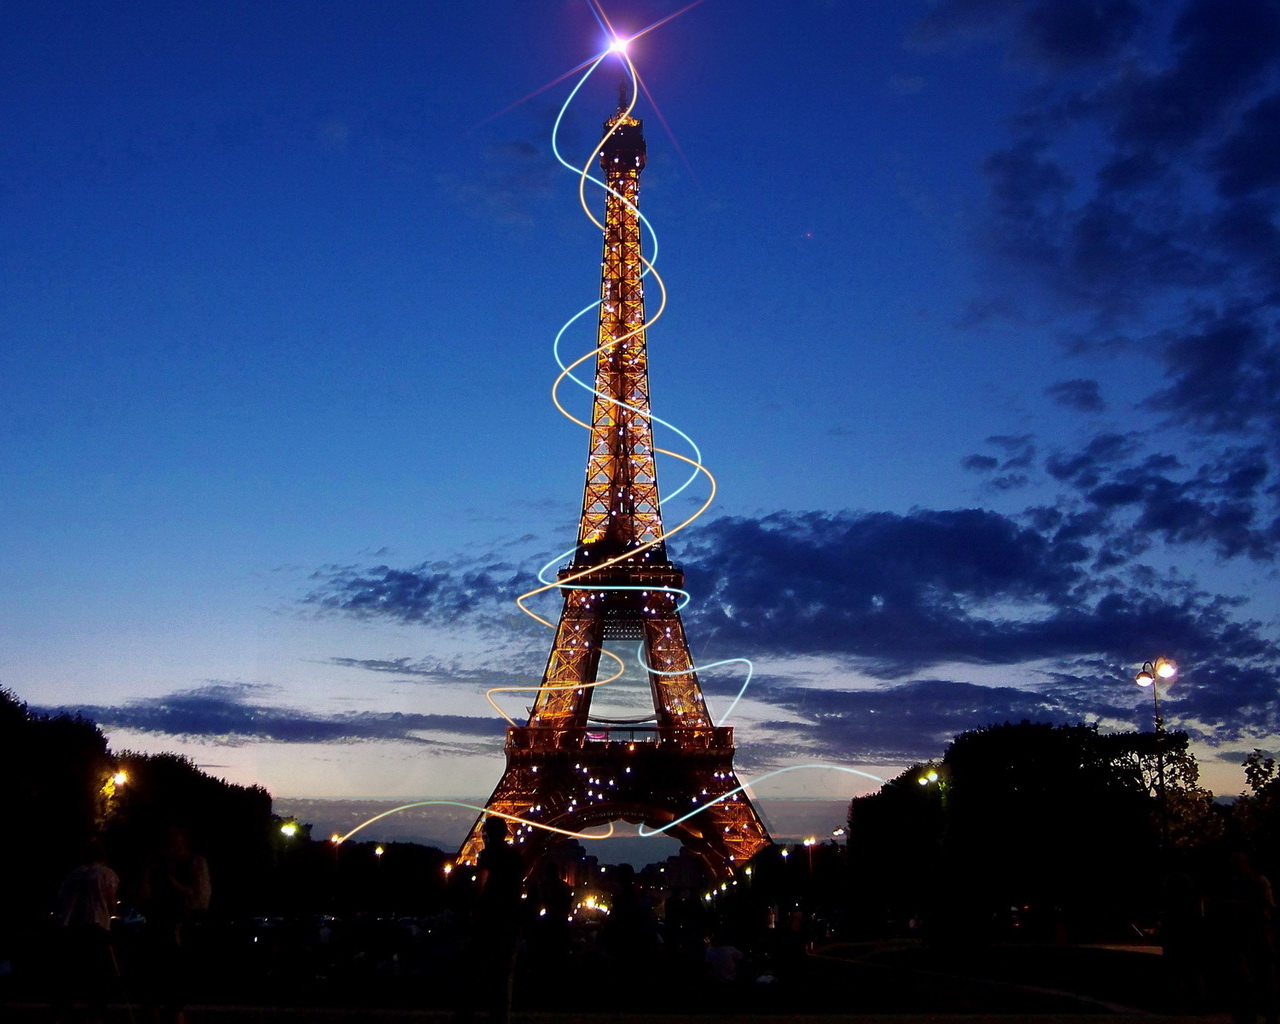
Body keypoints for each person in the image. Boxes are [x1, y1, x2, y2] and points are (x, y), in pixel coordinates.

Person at [139, 824, 211, 1024]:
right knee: (155, 979)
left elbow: (199, 898)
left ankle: (174, 1011)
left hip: (180, 925)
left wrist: (172, 881)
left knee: (175, 980)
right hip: (157, 925)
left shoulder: (194, 862)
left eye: (174, 837)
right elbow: (143, 895)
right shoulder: (155, 864)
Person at [457, 816, 525, 1024]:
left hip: (490, 916)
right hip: (509, 916)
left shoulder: (489, 855)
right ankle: (501, 1015)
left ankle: (468, 1011)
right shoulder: (515, 856)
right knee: (503, 972)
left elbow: (481, 883)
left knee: (475, 966)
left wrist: (472, 907)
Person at [51, 842, 120, 1024]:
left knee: (72, 971)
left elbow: (61, 899)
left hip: (72, 925)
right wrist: (112, 914)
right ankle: (96, 1012)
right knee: (98, 973)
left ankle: (63, 1010)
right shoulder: (106, 874)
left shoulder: (73, 875)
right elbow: (110, 899)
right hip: (96, 925)